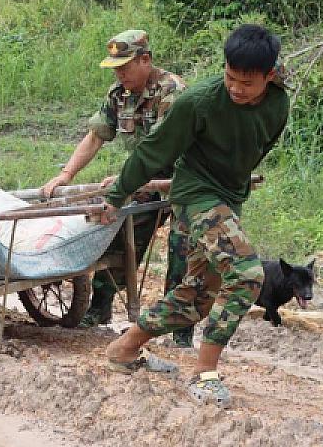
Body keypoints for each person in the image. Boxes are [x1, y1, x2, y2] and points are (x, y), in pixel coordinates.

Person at [100, 24, 289, 406]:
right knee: (247, 273)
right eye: (230, 77)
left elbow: (258, 145)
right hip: (195, 196)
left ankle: (124, 348)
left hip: (228, 197)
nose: (236, 88)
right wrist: (118, 194)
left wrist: (234, 189)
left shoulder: (278, 103)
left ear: (269, 76)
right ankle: (205, 375)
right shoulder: (199, 101)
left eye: (247, 83)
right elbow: (153, 152)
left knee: (198, 296)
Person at [41, 30, 187, 334]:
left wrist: (126, 178)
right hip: (145, 180)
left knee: (181, 252)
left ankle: (177, 328)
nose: (120, 75)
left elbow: (163, 147)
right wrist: (67, 174)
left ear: (145, 60)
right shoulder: (118, 94)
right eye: (115, 69)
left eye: (125, 67)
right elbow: (96, 136)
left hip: (186, 180)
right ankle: (100, 309)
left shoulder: (172, 92)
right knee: (120, 233)